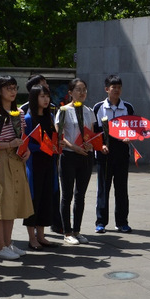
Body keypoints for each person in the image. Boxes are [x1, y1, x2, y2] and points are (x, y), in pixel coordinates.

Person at [0, 75, 32, 259]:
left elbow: (23, 136)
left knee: (12, 202)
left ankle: (8, 243)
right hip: (0, 159)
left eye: (14, 88)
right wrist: (9, 144)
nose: (13, 92)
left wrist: (26, 150)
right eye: (8, 88)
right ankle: (0, 246)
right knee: (0, 204)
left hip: (16, 158)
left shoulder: (18, 112)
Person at [56, 78, 96, 245]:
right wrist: (73, 147)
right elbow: (59, 136)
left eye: (84, 89)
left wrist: (89, 144)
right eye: (78, 89)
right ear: (70, 93)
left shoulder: (89, 111)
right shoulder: (64, 110)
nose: (82, 93)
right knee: (67, 195)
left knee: (81, 195)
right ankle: (67, 232)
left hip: (85, 156)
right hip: (69, 155)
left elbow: (90, 133)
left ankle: (77, 230)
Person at [93, 74, 134, 234]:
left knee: (122, 189)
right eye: (113, 87)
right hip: (104, 154)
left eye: (119, 87)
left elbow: (133, 129)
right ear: (106, 89)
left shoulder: (128, 107)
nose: (116, 90)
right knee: (103, 189)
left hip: (122, 153)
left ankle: (122, 222)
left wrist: (129, 137)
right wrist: (101, 145)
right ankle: (101, 222)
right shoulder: (99, 107)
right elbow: (96, 131)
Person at [22, 85, 60, 250]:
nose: (46, 100)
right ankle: (32, 238)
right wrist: (42, 147)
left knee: (46, 198)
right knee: (34, 200)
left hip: (49, 163)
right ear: (34, 97)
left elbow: (53, 138)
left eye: (47, 96)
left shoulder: (50, 116)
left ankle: (41, 235)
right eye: (42, 96)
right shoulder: (28, 118)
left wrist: (56, 144)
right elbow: (26, 143)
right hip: (34, 164)